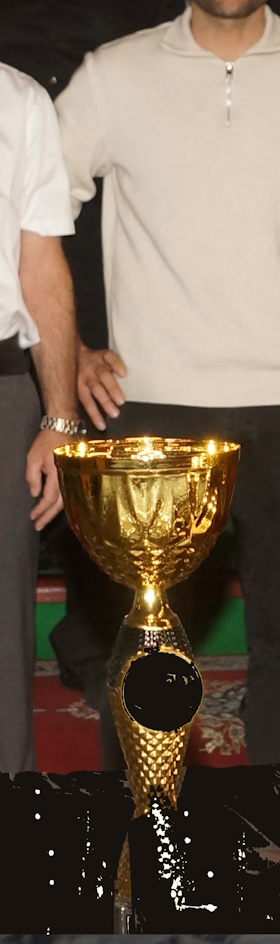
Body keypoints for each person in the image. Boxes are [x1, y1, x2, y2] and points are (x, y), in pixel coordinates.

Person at [55, 0, 280, 765]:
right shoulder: (112, 74)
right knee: (147, 645)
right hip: (152, 408)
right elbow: (25, 214)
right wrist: (72, 347)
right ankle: (142, 834)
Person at [1, 60, 84, 773]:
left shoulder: (19, 100)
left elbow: (42, 266)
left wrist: (60, 417)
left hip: (2, 392)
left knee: (2, 638)